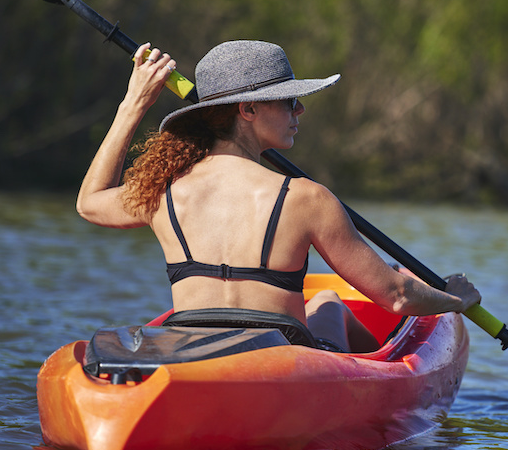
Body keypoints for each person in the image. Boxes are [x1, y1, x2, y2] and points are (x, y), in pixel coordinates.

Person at [76, 40, 481, 352]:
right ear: (248, 110)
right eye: (289, 99)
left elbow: (89, 202)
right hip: (283, 363)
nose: (299, 111)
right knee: (328, 303)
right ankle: (376, 384)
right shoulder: (306, 198)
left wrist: (132, 106)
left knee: (326, 301)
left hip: (190, 351)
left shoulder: (163, 190)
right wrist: (453, 300)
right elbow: (396, 297)